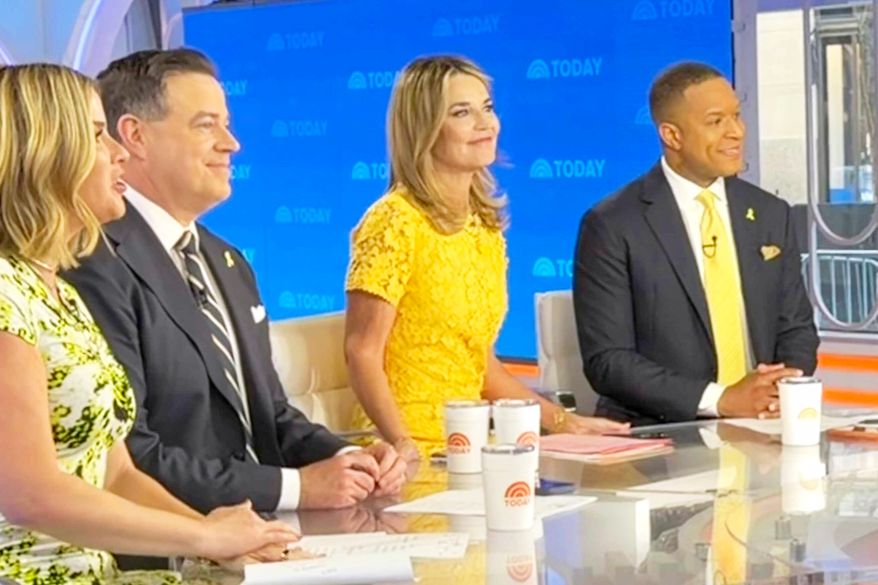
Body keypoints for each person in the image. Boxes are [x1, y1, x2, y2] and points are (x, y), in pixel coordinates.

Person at [65, 49, 406, 515]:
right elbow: (132, 454)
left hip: (269, 532)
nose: (231, 143)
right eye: (206, 125)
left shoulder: (226, 259)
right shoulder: (92, 262)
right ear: (135, 136)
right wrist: (296, 489)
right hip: (179, 542)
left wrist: (348, 458)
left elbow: (272, 414)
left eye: (226, 124)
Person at [0, 63, 297, 585]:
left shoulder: (60, 291)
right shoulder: (5, 293)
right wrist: (204, 538)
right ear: (42, 156)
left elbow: (115, 474)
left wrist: (222, 540)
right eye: (95, 136)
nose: (116, 150)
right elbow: (30, 494)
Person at [344, 55, 629, 461]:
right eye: (462, 112)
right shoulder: (393, 222)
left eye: (488, 108)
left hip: (471, 442)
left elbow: (482, 366)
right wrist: (402, 445)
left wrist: (567, 422)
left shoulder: (484, 227)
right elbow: (362, 352)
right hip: (407, 448)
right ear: (424, 128)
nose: (486, 124)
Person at [573, 61, 819, 426]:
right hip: (661, 436)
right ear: (672, 136)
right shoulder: (612, 224)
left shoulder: (770, 213)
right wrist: (722, 400)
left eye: (737, 116)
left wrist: (776, 393)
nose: (736, 132)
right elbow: (609, 361)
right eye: (716, 121)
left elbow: (796, 328)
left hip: (764, 425)